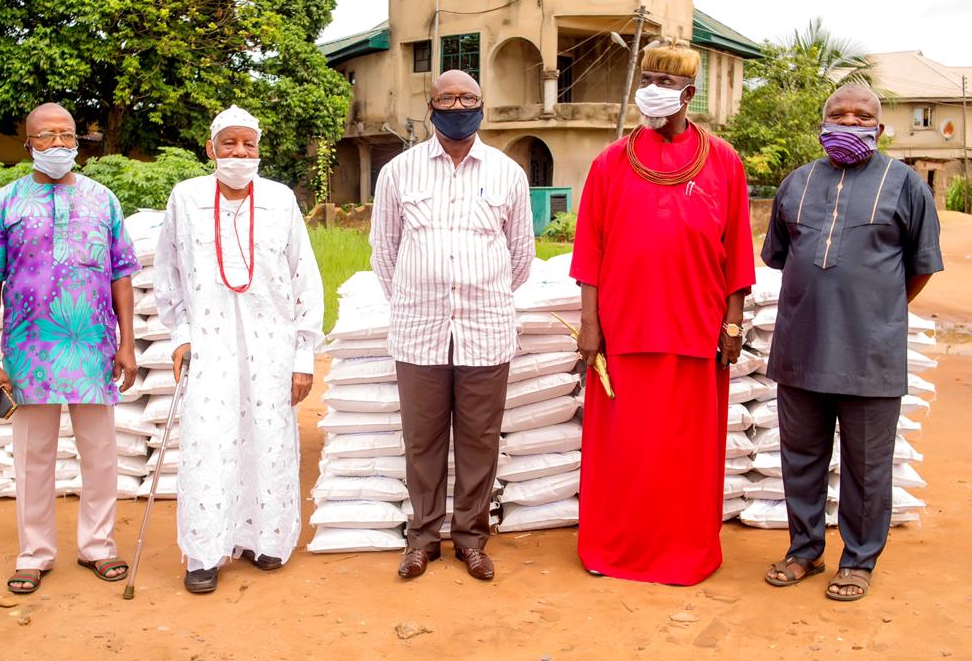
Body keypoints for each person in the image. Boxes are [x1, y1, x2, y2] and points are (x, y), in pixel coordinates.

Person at [570, 44, 755, 585]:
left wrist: (733, 322)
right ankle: (612, 550)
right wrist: (589, 324)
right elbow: (590, 250)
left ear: (688, 94)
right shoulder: (609, 163)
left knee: (684, 455)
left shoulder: (724, 161)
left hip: (696, 331)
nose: (650, 88)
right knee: (624, 453)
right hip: (623, 333)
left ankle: (682, 555)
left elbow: (737, 251)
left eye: (662, 81)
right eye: (645, 78)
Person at [761, 84, 943, 601]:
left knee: (866, 466)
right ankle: (804, 552)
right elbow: (780, 255)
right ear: (822, 125)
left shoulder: (906, 185)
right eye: (837, 114)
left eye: (860, 116)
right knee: (801, 458)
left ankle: (859, 561)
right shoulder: (795, 183)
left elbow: (921, 266)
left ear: (878, 128)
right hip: (799, 349)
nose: (848, 121)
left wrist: (879, 310)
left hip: (870, 354)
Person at [0, 102, 140, 595]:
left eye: (67, 135)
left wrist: (128, 344)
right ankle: (34, 552)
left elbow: (122, 274)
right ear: (28, 144)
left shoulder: (103, 199)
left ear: (79, 142)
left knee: (101, 453)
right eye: (46, 136)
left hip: (93, 349)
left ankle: (99, 546)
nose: (59, 145)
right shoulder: (4, 202)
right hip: (29, 351)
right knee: (33, 456)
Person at [371, 70, 534, 581]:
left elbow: (521, 256)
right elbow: (384, 252)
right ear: (431, 106)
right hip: (419, 329)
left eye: (468, 97)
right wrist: (419, 297)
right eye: (448, 98)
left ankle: (471, 537)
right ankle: (422, 538)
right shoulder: (398, 172)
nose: (458, 105)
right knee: (422, 439)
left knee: (479, 438)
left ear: (482, 104)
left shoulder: (509, 173)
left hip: (485, 329)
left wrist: (481, 291)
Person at [154, 105, 324, 594]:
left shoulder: (281, 198)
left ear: (258, 150)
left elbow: (304, 279)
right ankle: (205, 552)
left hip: (272, 346)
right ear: (210, 149)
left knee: (268, 440)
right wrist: (180, 335)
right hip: (209, 344)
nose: (238, 152)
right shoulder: (185, 198)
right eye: (229, 143)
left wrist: (303, 356)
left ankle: (265, 540)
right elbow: (167, 273)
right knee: (209, 443)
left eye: (248, 144)